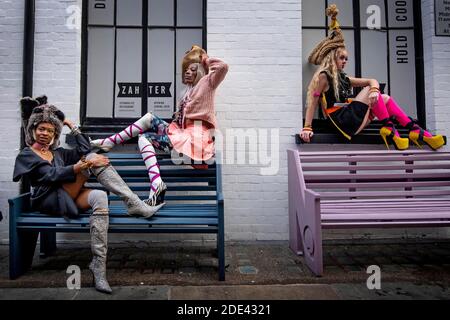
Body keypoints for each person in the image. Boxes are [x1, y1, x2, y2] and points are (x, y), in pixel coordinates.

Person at [13, 96, 164, 294]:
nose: (45, 134)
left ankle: (98, 268)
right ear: (33, 130)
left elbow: (85, 149)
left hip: (67, 196)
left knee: (100, 196)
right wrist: (79, 167)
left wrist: (72, 127)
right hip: (48, 200)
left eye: (50, 131)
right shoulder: (27, 154)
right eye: (41, 129)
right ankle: (134, 202)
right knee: (93, 159)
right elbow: (49, 175)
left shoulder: (58, 153)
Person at [90, 45, 229, 205]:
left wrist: (203, 59)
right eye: (185, 69)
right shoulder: (187, 92)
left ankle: (155, 183)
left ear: (201, 69)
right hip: (182, 136)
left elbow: (223, 67)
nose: (188, 72)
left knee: (146, 136)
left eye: (192, 69)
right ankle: (113, 145)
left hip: (195, 142)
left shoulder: (207, 84)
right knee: (148, 123)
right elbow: (179, 123)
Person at [300, 4, 445, 151]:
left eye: (346, 59)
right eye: (341, 58)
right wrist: (307, 127)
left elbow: (372, 80)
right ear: (332, 57)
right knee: (371, 88)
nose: (344, 61)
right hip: (342, 122)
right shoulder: (324, 76)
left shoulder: (343, 78)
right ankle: (390, 128)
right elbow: (313, 101)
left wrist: (375, 89)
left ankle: (415, 130)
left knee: (385, 97)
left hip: (351, 121)